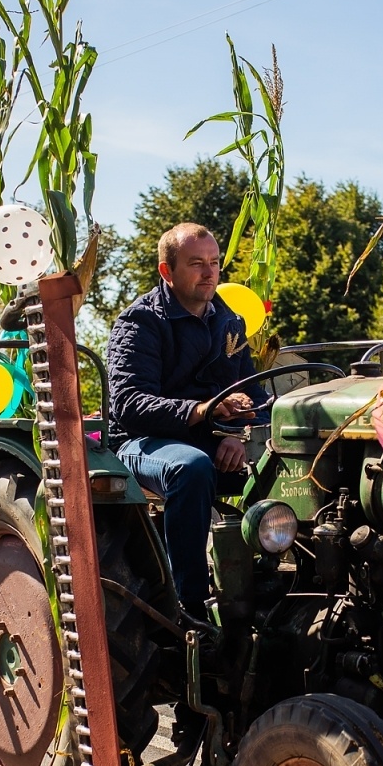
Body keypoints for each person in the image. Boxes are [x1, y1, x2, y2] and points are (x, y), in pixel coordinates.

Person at [105, 223, 267, 614]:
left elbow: (256, 394)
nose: (210, 273)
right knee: (190, 468)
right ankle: (188, 607)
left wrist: (240, 434)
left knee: (280, 464)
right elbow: (129, 404)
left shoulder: (230, 322)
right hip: (142, 442)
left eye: (214, 263)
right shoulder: (139, 323)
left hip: (211, 436)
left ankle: (266, 586)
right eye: (196, 264)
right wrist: (203, 411)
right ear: (167, 271)